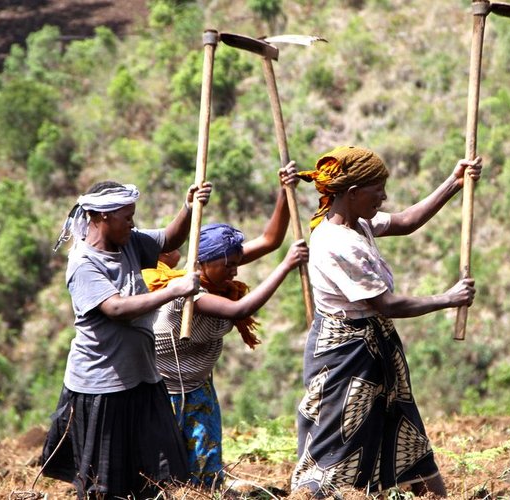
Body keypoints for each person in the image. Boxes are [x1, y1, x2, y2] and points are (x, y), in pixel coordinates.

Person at [289, 146, 481, 497]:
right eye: (377, 190)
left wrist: (454, 183)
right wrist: (447, 298)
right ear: (352, 193)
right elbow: (386, 304)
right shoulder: (336, 243)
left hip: (375, 349)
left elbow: (406, 221)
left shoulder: (359, 224)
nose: (384, 196)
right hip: (347, 357)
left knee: (404, 434)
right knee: (340, 441)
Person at [40, 180, 212, 499]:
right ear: (102, 217)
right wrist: (172, 290)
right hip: (103, 387)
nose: (133, 223)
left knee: (156, 476)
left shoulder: (129, 242)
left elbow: (170, 239)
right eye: (127, 216)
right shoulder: (83, 263)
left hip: (143, 379)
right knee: (106, 486)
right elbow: (116, 308)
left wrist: (189, 207)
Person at [145, 164, 309, 489]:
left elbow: (271, 240)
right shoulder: (190, 293)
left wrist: (283, 190)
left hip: (199, 387)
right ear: (202, 262)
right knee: (163, 475)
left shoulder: (218, 268)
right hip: (164, 393)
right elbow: (242, 309)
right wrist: (287, 266)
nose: (235, 272)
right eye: (228, 266)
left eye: (237, 263)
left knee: (206, 470)